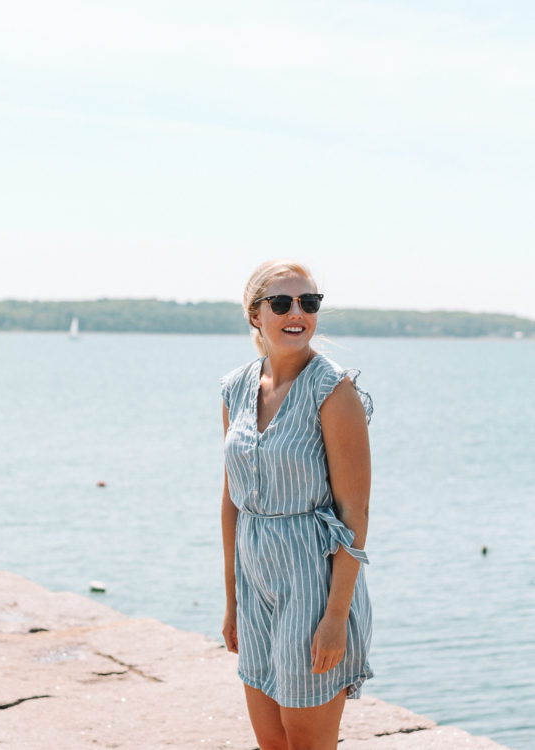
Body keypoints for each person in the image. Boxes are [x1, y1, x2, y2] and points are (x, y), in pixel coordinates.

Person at [220, 259, 373, 750]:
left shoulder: (335, 391)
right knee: (271, 741)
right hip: (254, 579)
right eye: (282, 302)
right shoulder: (235, 389)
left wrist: (335, 618)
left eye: (309, 302)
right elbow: (232, 499)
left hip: (313, 583)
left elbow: (356, 514)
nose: (297, 313)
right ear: (254, 314)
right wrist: (232, 601)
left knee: (307, 742)